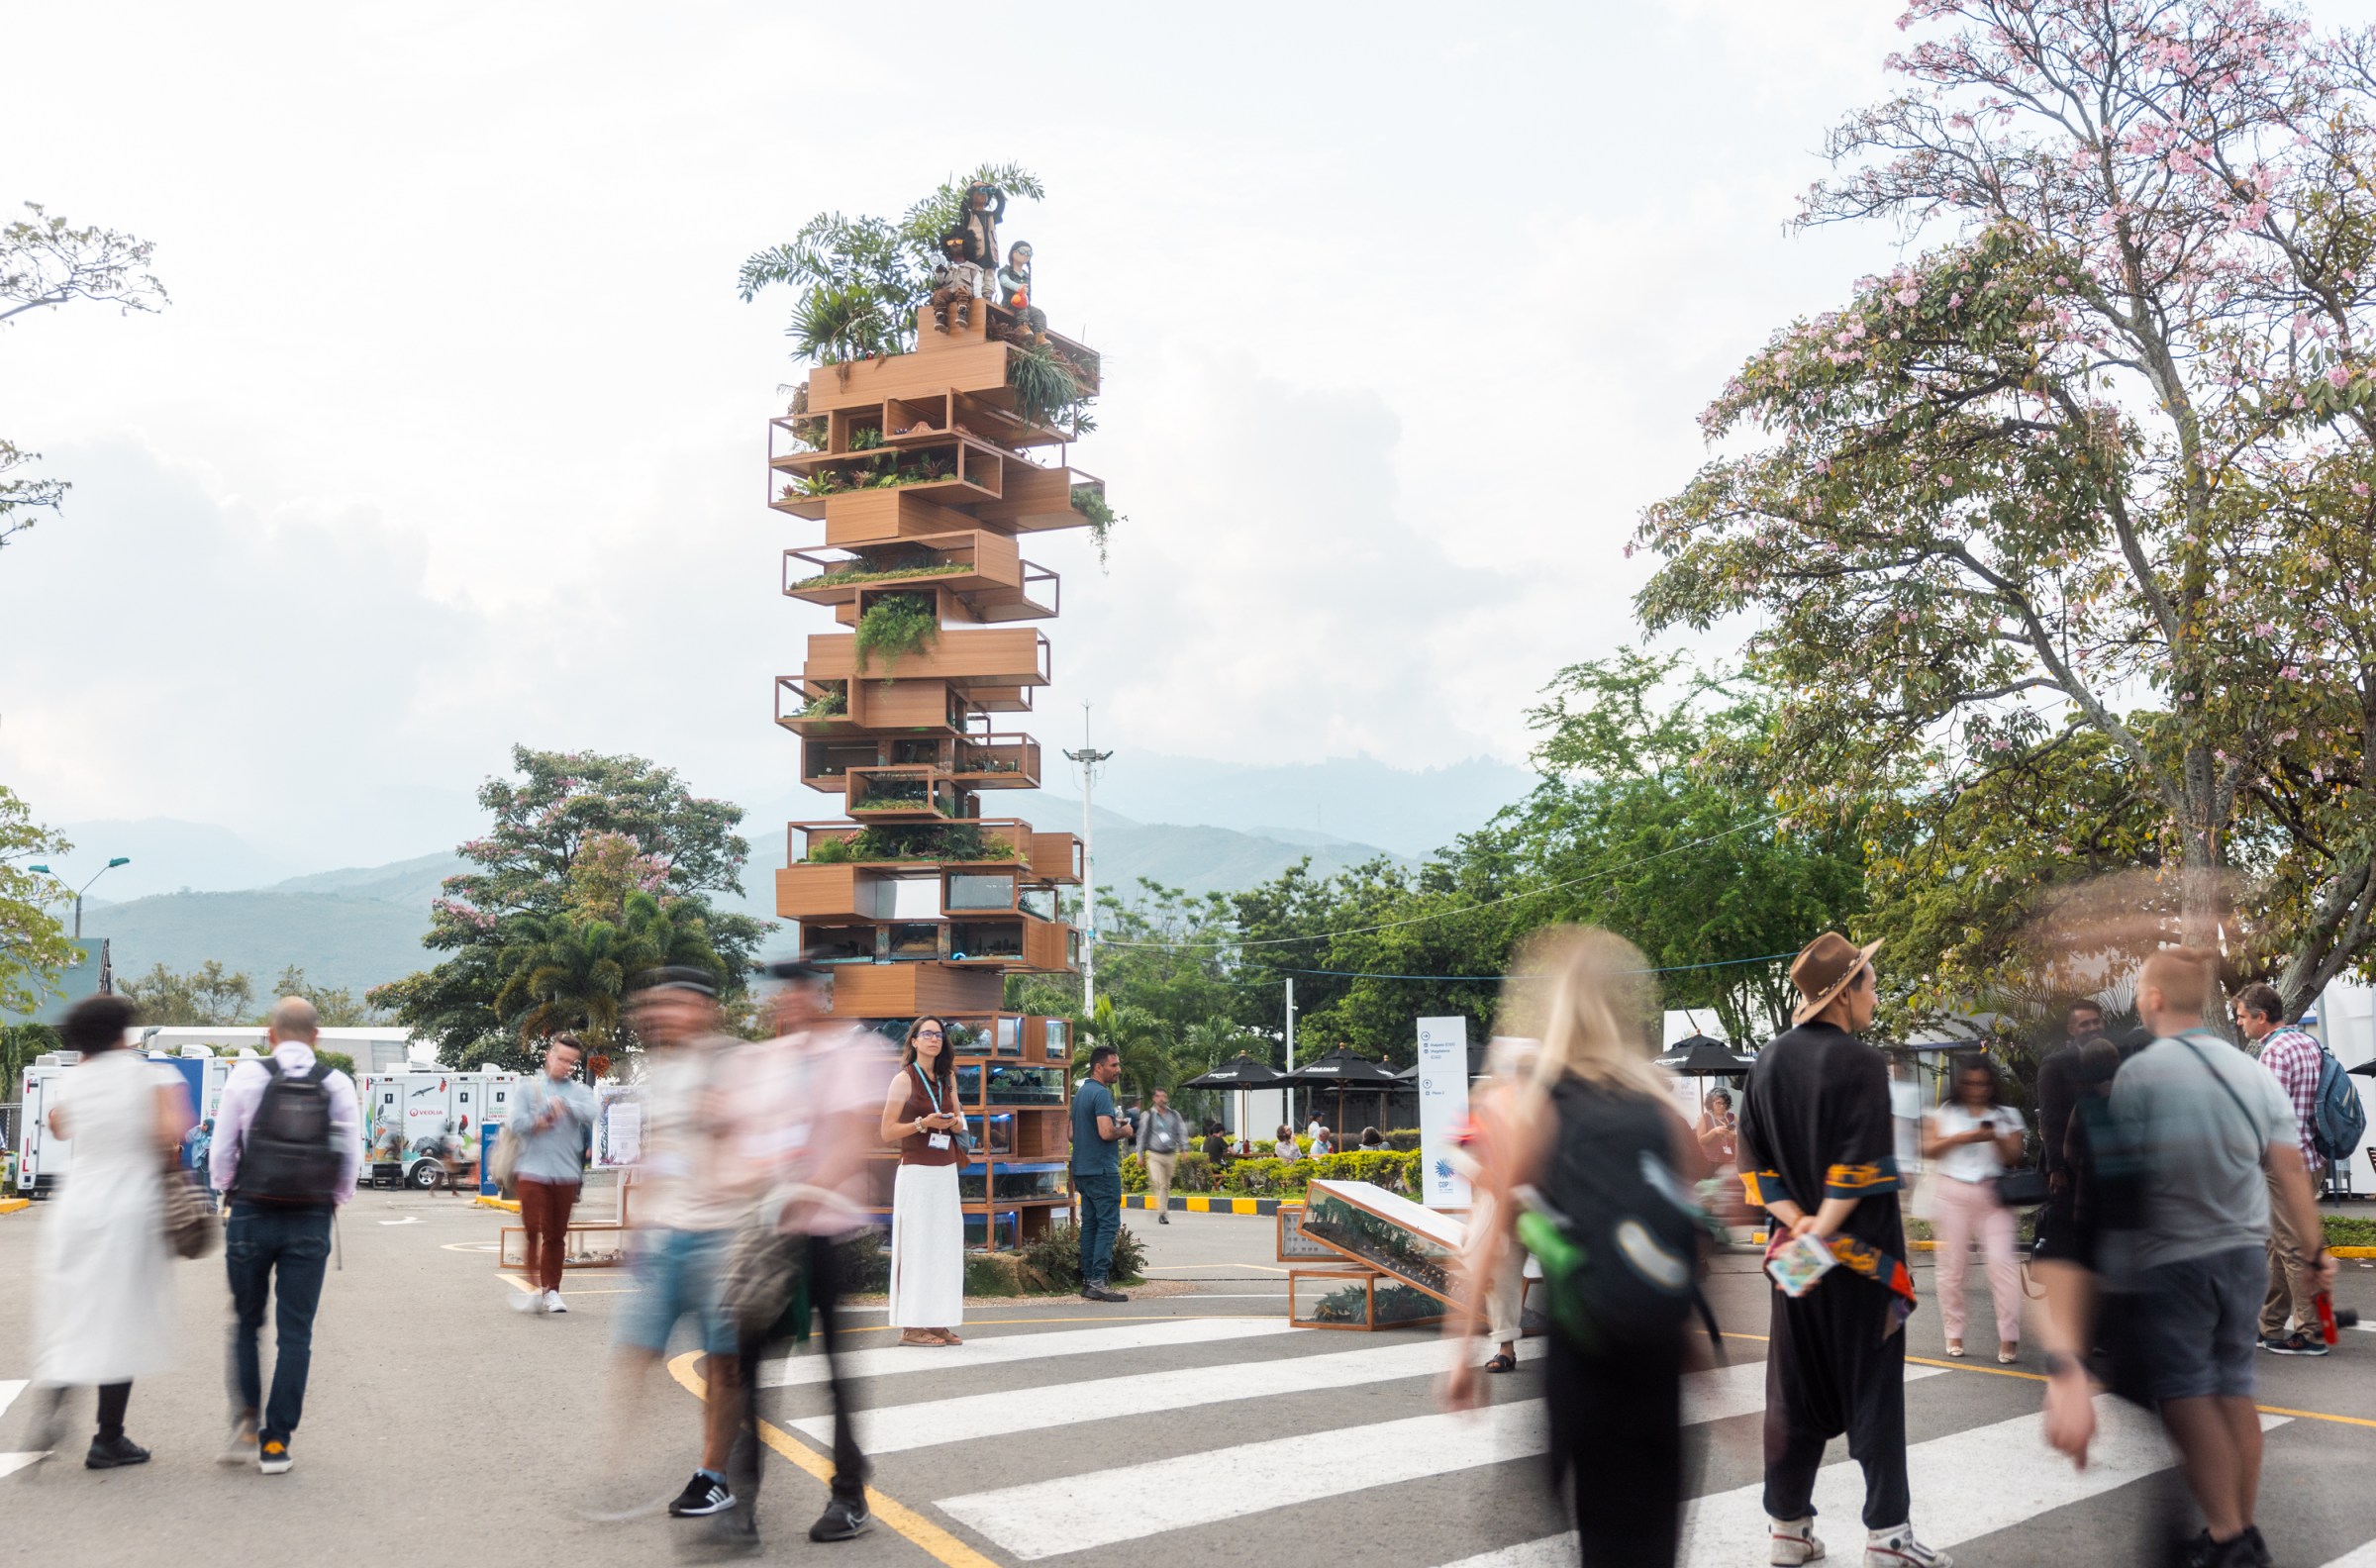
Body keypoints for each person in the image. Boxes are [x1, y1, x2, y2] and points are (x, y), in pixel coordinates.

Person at [2036, 949, 2335, 1568]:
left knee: (2185, 1392)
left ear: (2151, 999)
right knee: (2233, 1388)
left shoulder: (2142, 1075)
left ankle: (2230, 1538)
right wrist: (2314, 1251)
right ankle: (2236, 1528)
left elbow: (2118, 1182)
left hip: (2175, 1255)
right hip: (2245, 1255)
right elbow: (2291, 1169)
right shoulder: (2250, 1070)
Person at [1442, 929, 1705, 1568]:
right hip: (1657, 1358)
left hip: (1584, 1356)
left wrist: (1459, 1356)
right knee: (1652, 1543)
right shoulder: (1661, 1108)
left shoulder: (1537, 1108)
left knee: (1600, 1537)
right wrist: (1713, 1375)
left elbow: (1493, 1226)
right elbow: (1699, 1235)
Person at [1738, 933, 1944, 1568]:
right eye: (1871, 983)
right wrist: (1824, 1223)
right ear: (1844, 992)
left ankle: (1788, 1530)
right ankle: (1888, 1537)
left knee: (1792, 1392)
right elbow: (1859, 1165)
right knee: (1873, 1392)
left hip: (1797, 1261)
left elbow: (1754, 1165)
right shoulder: (1858, 1063)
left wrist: (1799, 1222)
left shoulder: (1768, 1062)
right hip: (1863, 1264)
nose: (1875, 994)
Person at [723, 962, 885, 1547]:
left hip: (822, 1232)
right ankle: (740, 1503)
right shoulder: (764, 1064)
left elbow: (851, 1141)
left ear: (821, 996)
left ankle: (849, 1492)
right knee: (750, 1371)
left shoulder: (853, 1054)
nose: (790, 1002)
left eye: (801, 991)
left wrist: (796, 1188)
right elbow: (743, 1142)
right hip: (767, 1237)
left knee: (834, 1369)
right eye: (782, 993)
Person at [611, 967, 756, 1520]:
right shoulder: (661, 1072)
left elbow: (765, 1141)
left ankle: (713, 1474)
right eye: (654, 1006)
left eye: (672, 1004)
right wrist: (638, 1227)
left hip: (724, 1234)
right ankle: (616, 1468)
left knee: (723, 1364)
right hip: (667, 1236)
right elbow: (658, 1150)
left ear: (704, 1007)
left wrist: (729, 1123)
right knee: (637, 1348)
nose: (659, 1015)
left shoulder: (737, 1062)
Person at [27, 994, 183, 1469]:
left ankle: (53, 1396)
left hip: (76, 1208)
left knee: (74, 1308)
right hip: (129, 1209)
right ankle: (108, 1438)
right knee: (123, 1320)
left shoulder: (74, 1081)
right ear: (124, 1032)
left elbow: (57, 1128)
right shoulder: (151, 1078)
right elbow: (169, 1138)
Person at [210, 995, 362, 1476]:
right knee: (296, 1332)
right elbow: (350, 1156)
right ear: (317, 1037)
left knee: (247, 1322)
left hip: (251, 1211)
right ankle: (277, 1444)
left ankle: (248, 1423)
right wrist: (332, 1199)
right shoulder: (337, 1084)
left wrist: (227, 1192)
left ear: (269, 1034)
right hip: (311, 1217)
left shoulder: (247, 1076)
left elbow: (222, 1149)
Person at [2230, 983, 2329, 1355]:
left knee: (2291, 1248)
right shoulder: (2307, 1044)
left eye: (2242, 1017)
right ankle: (2269, 1325)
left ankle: (2311, 1333)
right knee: (2277, 1244)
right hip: (2312, 1158)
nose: (2240, 1024)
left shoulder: (2273, 1053)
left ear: (2260, 1016)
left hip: (2283, 1164)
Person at [1921, 1056, 2026, 1363]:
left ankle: (2009, 1337)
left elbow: (2014, 1158)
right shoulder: (1946, 1112)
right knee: (1953, 1268)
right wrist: (1963, 1136)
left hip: (1993, 1196)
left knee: (2001, 1265)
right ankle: (1953, 1333)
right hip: (1952, 1194)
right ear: (1961, 1084)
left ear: (1992, 1085)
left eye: (1982, 1084)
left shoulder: (2006, 1114)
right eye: (1970, 1083)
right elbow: (1928, 1149)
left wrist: (1994, 1137)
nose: (1976, 1090)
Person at [883, 1016, 965, 1347]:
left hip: (945, 1171)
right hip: (916, 1171)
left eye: (939, 1034)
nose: (934, 1039)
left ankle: (937, 1320)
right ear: (914, 1041)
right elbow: (887, 1132)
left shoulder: (947, 1078)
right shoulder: (903, 1080)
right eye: (926, 1034)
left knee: (944, 1245)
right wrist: (921, 1124)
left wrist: (954, 1124)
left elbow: (960, 1118)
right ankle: (912, 1326)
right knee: (917, 1245)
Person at [509, 1032, 596, 1315]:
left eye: (572, 1062)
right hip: (532, 1169)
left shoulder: (579, 1090)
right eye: (561, 1059)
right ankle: (533, 1287)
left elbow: (593, 1112)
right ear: (549, 1055)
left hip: (565, 1173)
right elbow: (516, 1123)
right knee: (532, 1228)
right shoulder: (528, 1087)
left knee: (556, 1236)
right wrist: (542, 1116)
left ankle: (551, 1291)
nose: (566, 1065)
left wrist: (567, 1105)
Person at [1070, 1045, 1133, 1302]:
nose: (1118, 1070)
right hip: (1102, 1169)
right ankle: (1099, 1281)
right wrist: (1124, 1131)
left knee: (1091, 1224)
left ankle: (1088, 1280)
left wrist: (1109, 1125)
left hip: (1082, 1168)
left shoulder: (1081, 1093)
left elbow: (1072, 1134)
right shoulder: (1102, 1094)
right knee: (1108, 1224)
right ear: (1099, 1067)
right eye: (1114, 1065)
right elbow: (1106, 1133)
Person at [2034, 1000, 2107, 1191]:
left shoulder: (2114, 1058)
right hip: (2071, 1165)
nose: (2093, 1027)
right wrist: (2056, 1169)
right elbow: (2049, 1117)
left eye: (2096, 1021)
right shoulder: (2055, 1064)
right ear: (2071, 1029)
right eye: (2085, 1024)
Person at [1135, 1087, 1186, 1225]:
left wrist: (1184, 1148)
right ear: (1154, 1098)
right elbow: (1142, 1135)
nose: (1161, 1099)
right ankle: (1160, 1207)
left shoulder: (1174, 1115)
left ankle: (1162, 1213)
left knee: (1165, 1185)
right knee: (1158, 1181)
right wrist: (1139, 1154)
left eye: (1164, 1096)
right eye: (1158, 1096)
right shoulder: (1148, 1115)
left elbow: (1181, 1131)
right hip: (1154, 1154)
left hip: (1170, 1154)